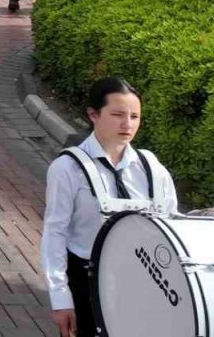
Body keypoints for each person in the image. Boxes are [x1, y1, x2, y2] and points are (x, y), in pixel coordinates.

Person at [41, 77, 178, 337]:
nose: (127, 125)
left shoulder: (152, 168)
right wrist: (60, 298)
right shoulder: (67, 168)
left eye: (135, 116)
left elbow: (171, 223)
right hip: (86, 282)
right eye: (117, 115)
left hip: (145, 281)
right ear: (93, 114)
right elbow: (54, 233)